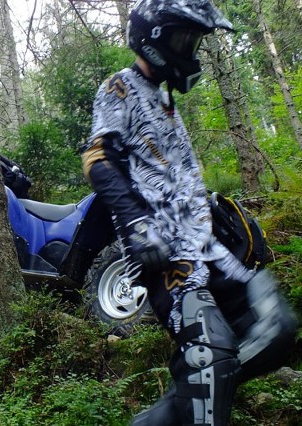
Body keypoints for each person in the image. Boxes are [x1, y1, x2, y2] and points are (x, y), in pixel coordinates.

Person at [80, 1, 297, 425]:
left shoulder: (166, 104)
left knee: (277, 329)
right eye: (185, 39)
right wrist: (138, 223)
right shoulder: (119, 87)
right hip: (163, 253)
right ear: (155, 38)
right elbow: (98, 158)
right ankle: (200, 383)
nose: (191, 50)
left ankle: (175, 405)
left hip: (207, 247)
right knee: (209, 354)